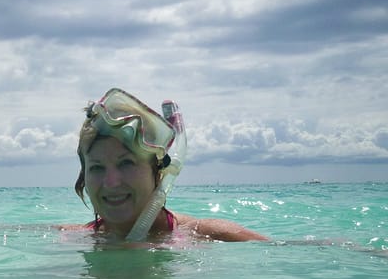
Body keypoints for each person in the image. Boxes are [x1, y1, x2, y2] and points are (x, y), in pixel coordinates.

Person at [73, 88, 268, 243]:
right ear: (84, 178)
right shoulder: (74, 238)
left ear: (158, 171)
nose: (111, 182)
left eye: (126, 163)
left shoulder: (209, 236)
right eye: (97, 167)